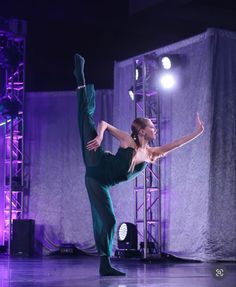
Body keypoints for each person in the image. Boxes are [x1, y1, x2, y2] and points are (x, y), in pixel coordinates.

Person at [73, 54, 204, 276]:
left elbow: (176, 145)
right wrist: (101, 137)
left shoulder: (151, 154)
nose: (156, 129)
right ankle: (80, 77)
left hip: (99, 182)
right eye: (152, 126)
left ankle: (105, 264)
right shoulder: (128, 141)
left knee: (109, 220)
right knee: (87, 120)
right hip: (97, 161)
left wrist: (197, 132)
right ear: (142, 131)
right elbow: (104, 124)